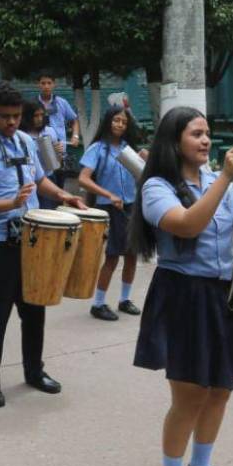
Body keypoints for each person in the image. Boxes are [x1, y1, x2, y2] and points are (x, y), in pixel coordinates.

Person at [130, 107, 233, 466]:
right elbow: (188, 225)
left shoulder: (216, 181)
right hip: (184, 296)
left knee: (221, 388)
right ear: (174, 140)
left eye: (207, 133)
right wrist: (228, 179)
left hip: (225, 291)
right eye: (196, 133)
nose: (206, 140)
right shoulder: (157, 187)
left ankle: (201, 465)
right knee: (190, 394)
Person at [0, 81, 86, 408]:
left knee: (34, 309)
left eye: (16, 116)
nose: (11, 123)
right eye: (4, 117)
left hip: (31, 239)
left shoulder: (26, 140)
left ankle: (34, 371)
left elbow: (39, 179)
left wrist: (64, 195)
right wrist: (9, 203)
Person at [77, 105, 143, 321]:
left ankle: (124, 299)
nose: (120, 125)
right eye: (116, 120)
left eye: (124, 122)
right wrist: (108, 194)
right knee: (113, 256)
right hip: (110, 208)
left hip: (131, 207)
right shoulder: (98, 148)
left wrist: (146, 159)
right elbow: (83, 179)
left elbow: (142, 175)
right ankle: (98, 303)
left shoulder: (128, 148)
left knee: (132, 254)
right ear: (108, 122)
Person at [36, 73, 80, 173]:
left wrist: (75, 136)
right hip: (40, 154)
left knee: (59, 183)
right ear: (38, 84)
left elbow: (74, 120)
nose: (46, 86)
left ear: (54, 84)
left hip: (60, 152)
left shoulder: (62, 102)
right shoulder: (33, 104)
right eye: (43, 83)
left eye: (49, 83)